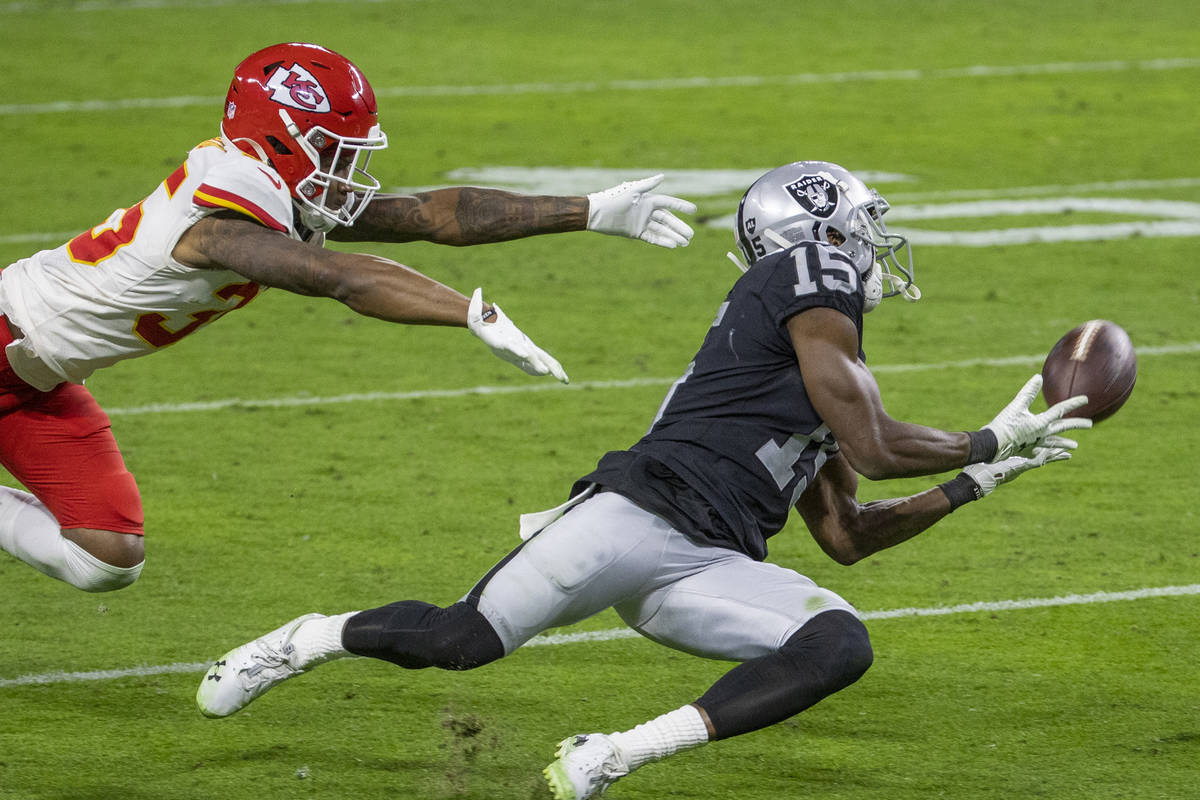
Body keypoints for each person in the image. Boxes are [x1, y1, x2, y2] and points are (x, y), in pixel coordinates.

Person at [194, 161, 1091, 800]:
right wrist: (984, 438)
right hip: (637, 512)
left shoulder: (823, 354)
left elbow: (846, 537)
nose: (872, 243)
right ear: (816, 233)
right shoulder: (806, 276)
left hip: (706, 564)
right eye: (859, 224)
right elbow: (876, 443)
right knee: (459, 639)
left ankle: (615, 755)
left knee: (837, 645)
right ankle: (304, 639)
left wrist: (982, 479)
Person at [0, 42, 697, 595]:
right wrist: (468, 313)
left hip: (41, 381)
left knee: (108, 558)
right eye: (332, 151)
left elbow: (428, 214)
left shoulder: (270, 189)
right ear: (278, 139)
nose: (344, 169)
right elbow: (338, 277)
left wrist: (590, 211)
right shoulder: (217, 219)